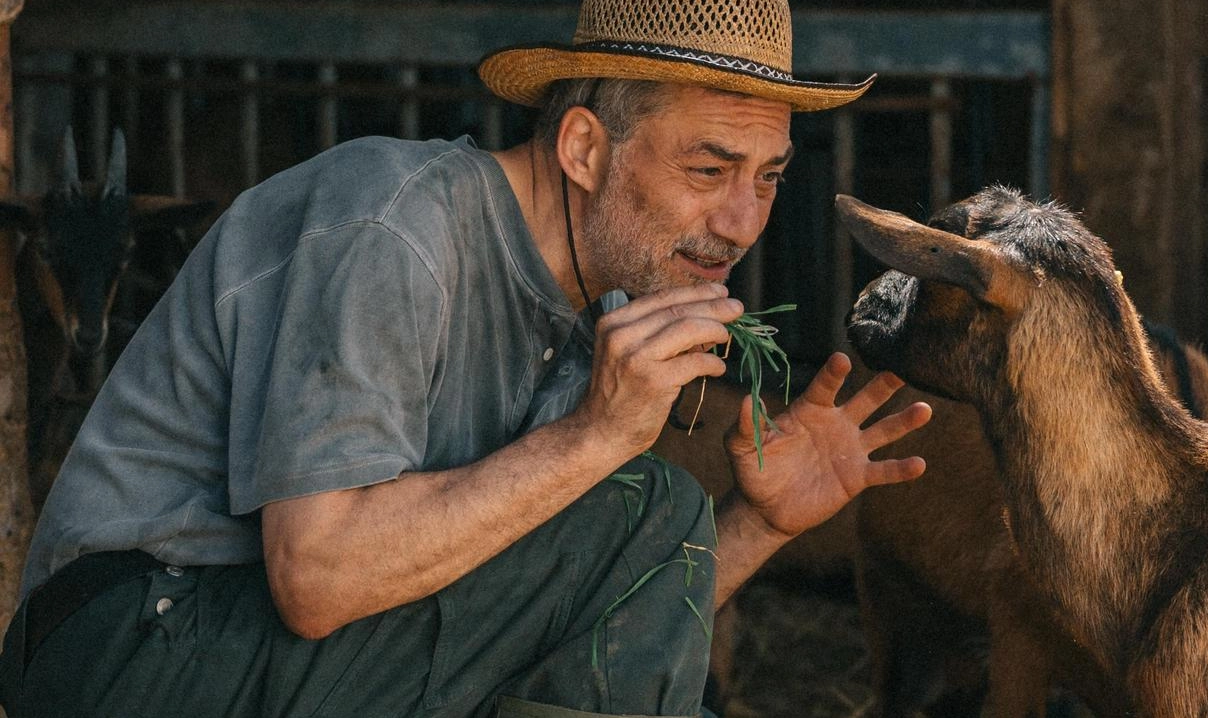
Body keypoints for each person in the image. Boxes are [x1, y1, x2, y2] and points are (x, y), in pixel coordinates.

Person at [0, 0, 932, 716]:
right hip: (129, 641)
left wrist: (761, 524)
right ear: (582, 148)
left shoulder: (600, 303)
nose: (742, 221)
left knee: (646, 515)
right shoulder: (395, 225)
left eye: (767, 178)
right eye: (707, 170)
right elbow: (317, 580)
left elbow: (596, 616)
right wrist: (596, 440)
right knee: (645, 503)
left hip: (255, 654)